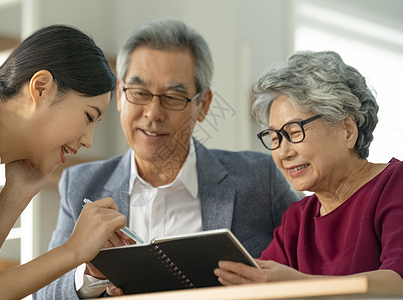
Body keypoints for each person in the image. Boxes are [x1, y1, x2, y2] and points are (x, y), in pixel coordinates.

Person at [34, 19, 299, 299]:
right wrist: (90, 276)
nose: (153, 113)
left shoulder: (260, 178)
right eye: (139, 93)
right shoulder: (83, 184)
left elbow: (316, 269)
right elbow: (44, 294)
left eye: (173, 97)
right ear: (121, 95)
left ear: (204, 105)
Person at [0, 25, 129, 300]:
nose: (88, 141)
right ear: (42, 87)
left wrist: (19, 189)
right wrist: (73, 251)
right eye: (88, 116)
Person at [214, 51, 403, 290]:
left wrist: (299, 285)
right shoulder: (297, 219)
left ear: (347, 130)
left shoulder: (395, 185)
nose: (283, 152)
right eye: (274, 138)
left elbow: (398, 282)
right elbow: (259, 287)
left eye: (294, 133)